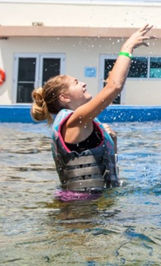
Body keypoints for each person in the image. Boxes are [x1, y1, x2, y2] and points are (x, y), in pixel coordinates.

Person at [31, 24, 154, 193]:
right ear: (64, 97)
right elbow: (114, 86)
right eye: (76, 82)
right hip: (80, 206)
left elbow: (99, 167)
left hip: (89, 203)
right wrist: (128, 47)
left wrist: (111, 142)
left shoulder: (78, 122)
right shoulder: (74, 121)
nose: (83, 83)